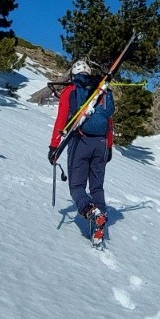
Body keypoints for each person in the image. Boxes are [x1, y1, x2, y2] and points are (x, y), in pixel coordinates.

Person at [49, 58, 115, 238]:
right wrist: (109, 145)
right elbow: (109, 121)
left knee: (77, 186)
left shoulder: (70, 91)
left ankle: (90, 211)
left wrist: (54, 146)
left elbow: (61, 119)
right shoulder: (101, 91)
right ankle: (100, 219)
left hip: (79, 142)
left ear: (73, 75)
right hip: (101, 144)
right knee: (97, 187)